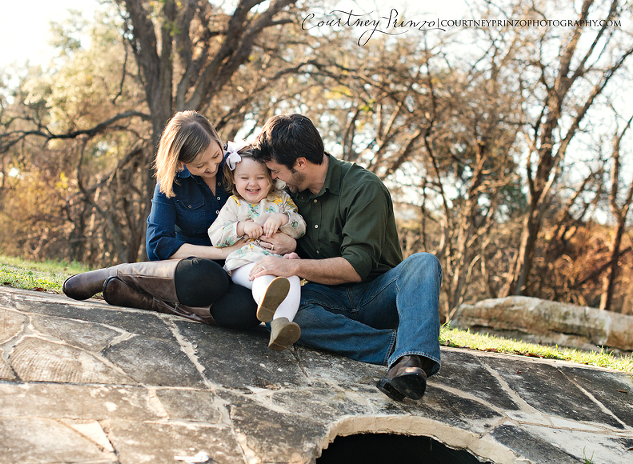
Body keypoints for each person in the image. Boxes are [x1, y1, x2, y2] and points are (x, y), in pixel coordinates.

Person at [252, 114, 442, 402]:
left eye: (277, 171)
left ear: (301, 162)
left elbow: (356, 267)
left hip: (376, 295)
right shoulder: (288, 195)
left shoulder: (364, 188)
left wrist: (291, 265)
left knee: (424, 263)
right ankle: (399, 351)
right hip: (326, 300)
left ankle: (410, 360)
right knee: (278, 315)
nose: (273, 177)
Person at [62, 111, 278, 330]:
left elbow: (277, 199)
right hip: (192, 270)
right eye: (200, 165)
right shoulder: (172, 183)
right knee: (207, 276)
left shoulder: (241, 165)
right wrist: (221, 253)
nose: (212, 167)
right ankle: (116, 273)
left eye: (215, 155)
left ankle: (150, 302)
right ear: (182, 162)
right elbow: (157, 244)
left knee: (248, 311)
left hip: (238, 268)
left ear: (217, 137)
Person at [208, 143, 306, 351]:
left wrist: (282, 219)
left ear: (271, 178)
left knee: (293, 277)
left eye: (260, 177)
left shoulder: (281, 201)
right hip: (245, 262)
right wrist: (241, 227)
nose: (252, 183)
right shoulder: (234, 204)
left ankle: (281, 326)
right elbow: (215, 235)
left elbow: (300, 227)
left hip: (278, 261)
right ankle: (265, 300)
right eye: (244, 178)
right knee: (262, 276)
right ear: (233, 180)